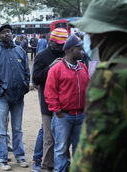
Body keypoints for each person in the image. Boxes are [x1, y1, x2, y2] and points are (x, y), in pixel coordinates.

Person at [69, 0, 127, 171]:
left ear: (104, 35)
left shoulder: (111, 76)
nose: (89, 41)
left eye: (90, 33)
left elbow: (92, 155)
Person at [0, 24, 30, 171]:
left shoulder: (20, 51)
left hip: (18, 97)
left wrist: (24, 87)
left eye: (9, 32)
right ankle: (2, 159)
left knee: (17, 129)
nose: (7, 34)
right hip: (2, 97)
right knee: (1, 130)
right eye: (3, 33)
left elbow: (26, 72)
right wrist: (0, 92)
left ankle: (20, 157)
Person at [44, 35, 90, 172]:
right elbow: (50, 93)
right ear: (70, 50)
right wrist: (57, 111)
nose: (83, 52)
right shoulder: (56, 69)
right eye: (80, 49)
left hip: (81, 116)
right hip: (63, 116)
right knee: (61, 149)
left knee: (79, 147)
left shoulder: (82, 67)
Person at [32, 28, 68, 172]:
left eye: (63, 44)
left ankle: (64, 163)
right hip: (47, 103)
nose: (60, 47)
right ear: (51, 41)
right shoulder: (42, 56)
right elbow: (36, 79)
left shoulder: (68, 54)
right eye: (58, 44)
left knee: (64, 137)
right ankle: (45, 164)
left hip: (65, 103)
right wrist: (50, 68)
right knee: (49, 137)